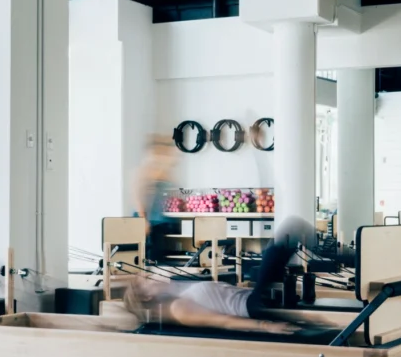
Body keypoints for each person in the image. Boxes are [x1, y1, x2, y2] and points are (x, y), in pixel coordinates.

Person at [123, 217, 317, 334]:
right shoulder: (178, 308)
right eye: (147, 280)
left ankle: (334, 253)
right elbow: (222, 321)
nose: (152, 275)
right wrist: (267, 326)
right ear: (148, 296)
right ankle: (340, 255)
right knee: (289, 232)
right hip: (253, 306)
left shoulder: (175, 290)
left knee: (288, 237)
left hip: (254, 299)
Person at [133, 135, 181, 260]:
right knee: (154, 259)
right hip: (153, 224)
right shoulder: (145, 170)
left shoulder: (166, 171)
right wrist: (143, 220)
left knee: (168, 258)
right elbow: (138, 195)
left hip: (167, 223)